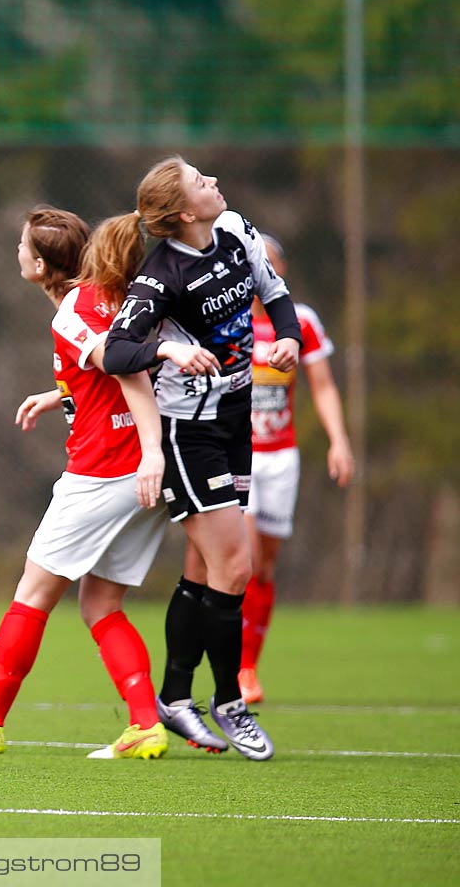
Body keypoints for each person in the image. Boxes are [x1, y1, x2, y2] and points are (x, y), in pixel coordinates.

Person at [0, 207, 170, 760]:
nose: (17, 252)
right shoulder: (112, 296)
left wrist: (150, 454)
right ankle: (144, 724)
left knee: (33, 593)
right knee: (101, 602)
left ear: (40, 264)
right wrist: (63, 394)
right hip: (142, 476)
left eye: (22, 246)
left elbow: (127, 370)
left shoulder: (72, 309)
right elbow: (108, 370)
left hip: (108, 471)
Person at [98, 157, 301, 761]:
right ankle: (230, 703)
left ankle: (174, 698)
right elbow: (115, 351)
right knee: (235, 567)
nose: (213, 180)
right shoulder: (159, 278)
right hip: (190, 432)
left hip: (237, 419)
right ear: (184, 212)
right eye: (199, 181)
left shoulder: (237, 230)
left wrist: (286, 333)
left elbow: (276, 292)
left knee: (202, 571)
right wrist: (168, 350)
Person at [238, 234, 354, 705]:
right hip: (236, 457)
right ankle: (235, 673)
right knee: (243, 563)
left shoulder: (300, 321)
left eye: (270, 262)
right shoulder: (229, 321)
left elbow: (322, 386)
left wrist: (338, 441)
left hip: (281, 458)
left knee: (264, 569)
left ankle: (249, 666)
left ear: (281, 269)